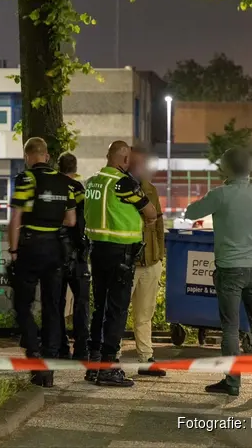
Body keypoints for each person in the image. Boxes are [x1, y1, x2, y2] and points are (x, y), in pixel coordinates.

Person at [184, 148, 252, 397]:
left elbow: (190, 213)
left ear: (226, 169)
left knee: (230, 327)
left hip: (230, 269)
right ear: (250, 169)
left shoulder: (220, 194)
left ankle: (232, 383)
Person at [84, 141, 157, 387]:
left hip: (97, 250)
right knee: (116, 310)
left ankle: (94, 364)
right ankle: (108, 368)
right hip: (120, 254)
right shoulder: (123, 183)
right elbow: (150, 212)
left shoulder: (93, 181)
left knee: (100, 307)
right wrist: (146, 220)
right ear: (124, 159)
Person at [8, 137, 77, 388]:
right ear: (46, 156)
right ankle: (49, 363)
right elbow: (70, 220)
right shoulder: (64, 181)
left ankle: (34, 354)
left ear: (28, 156)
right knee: (52, 306)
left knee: (23, 304)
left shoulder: (27, 179)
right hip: (55, 249)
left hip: (30, 247)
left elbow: (16, 217)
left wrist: (13, 250)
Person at [127, 145, 166, 377]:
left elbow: (158, 224)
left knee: (144, 314)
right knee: (117, 312)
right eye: (135, 163)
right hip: (128, 261)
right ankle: (105, 358)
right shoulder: (118, 189)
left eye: (142, 163)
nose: (140, 167)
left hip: (150, 262)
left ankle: (146, 359)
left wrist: (159, 255)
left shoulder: (150, 190)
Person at [56, 152, 90, 361]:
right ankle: (81, 348)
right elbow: (83, 221)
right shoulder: (79, 189)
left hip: (56, 252)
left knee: (56, 301)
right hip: (76, 254)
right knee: (81, 302)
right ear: (74, 168)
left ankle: (60, 346)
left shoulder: (53, 186)